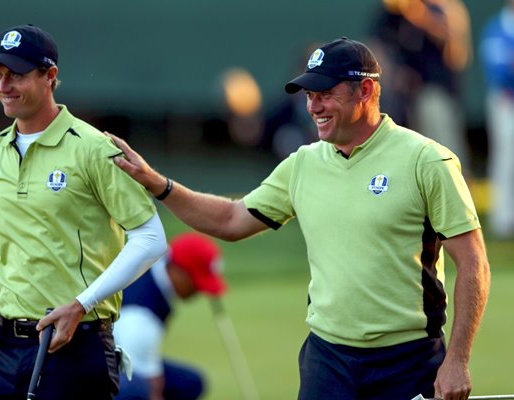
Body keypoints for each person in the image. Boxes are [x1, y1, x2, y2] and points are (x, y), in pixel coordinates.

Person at [107, 37, 490, 400]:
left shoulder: (427, 160)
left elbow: (473, 262)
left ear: (366, 91)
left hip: (407, 360)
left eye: (326, 95)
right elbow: (231, 219)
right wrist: (156, 182)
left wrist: (457, 360)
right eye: (310, 96)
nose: (314, 107)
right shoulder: (304, 163)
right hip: (327, 359)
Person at [0, 24, 167, 400]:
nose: (4, 86)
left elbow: (150, 238)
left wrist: (81, 305)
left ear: (50, 77)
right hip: (2, 344)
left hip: (74, 344)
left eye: (16, 75)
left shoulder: (94, 148)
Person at [114, 232, 226, 400]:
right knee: (136, 390)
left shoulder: (151, 267)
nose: (199, 291)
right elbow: (152, 387)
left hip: (123, 358)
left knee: (190, 383)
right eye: (196, 283)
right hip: (100, 367)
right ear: (178, 270)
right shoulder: (141, 318)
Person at [369, 0, 473, 176]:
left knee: (441, 138)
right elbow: (374, 49)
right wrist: (393, 74)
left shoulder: (442, 7)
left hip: (435, 90)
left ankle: (456, 184)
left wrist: (420, 15)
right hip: (400, 96)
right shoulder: (391, 12)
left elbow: (458, 55)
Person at [479, 0, 514, 240]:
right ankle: (503, 218)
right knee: (506, 157)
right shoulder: (497, 29)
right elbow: (499, 71)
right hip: (506, 101)